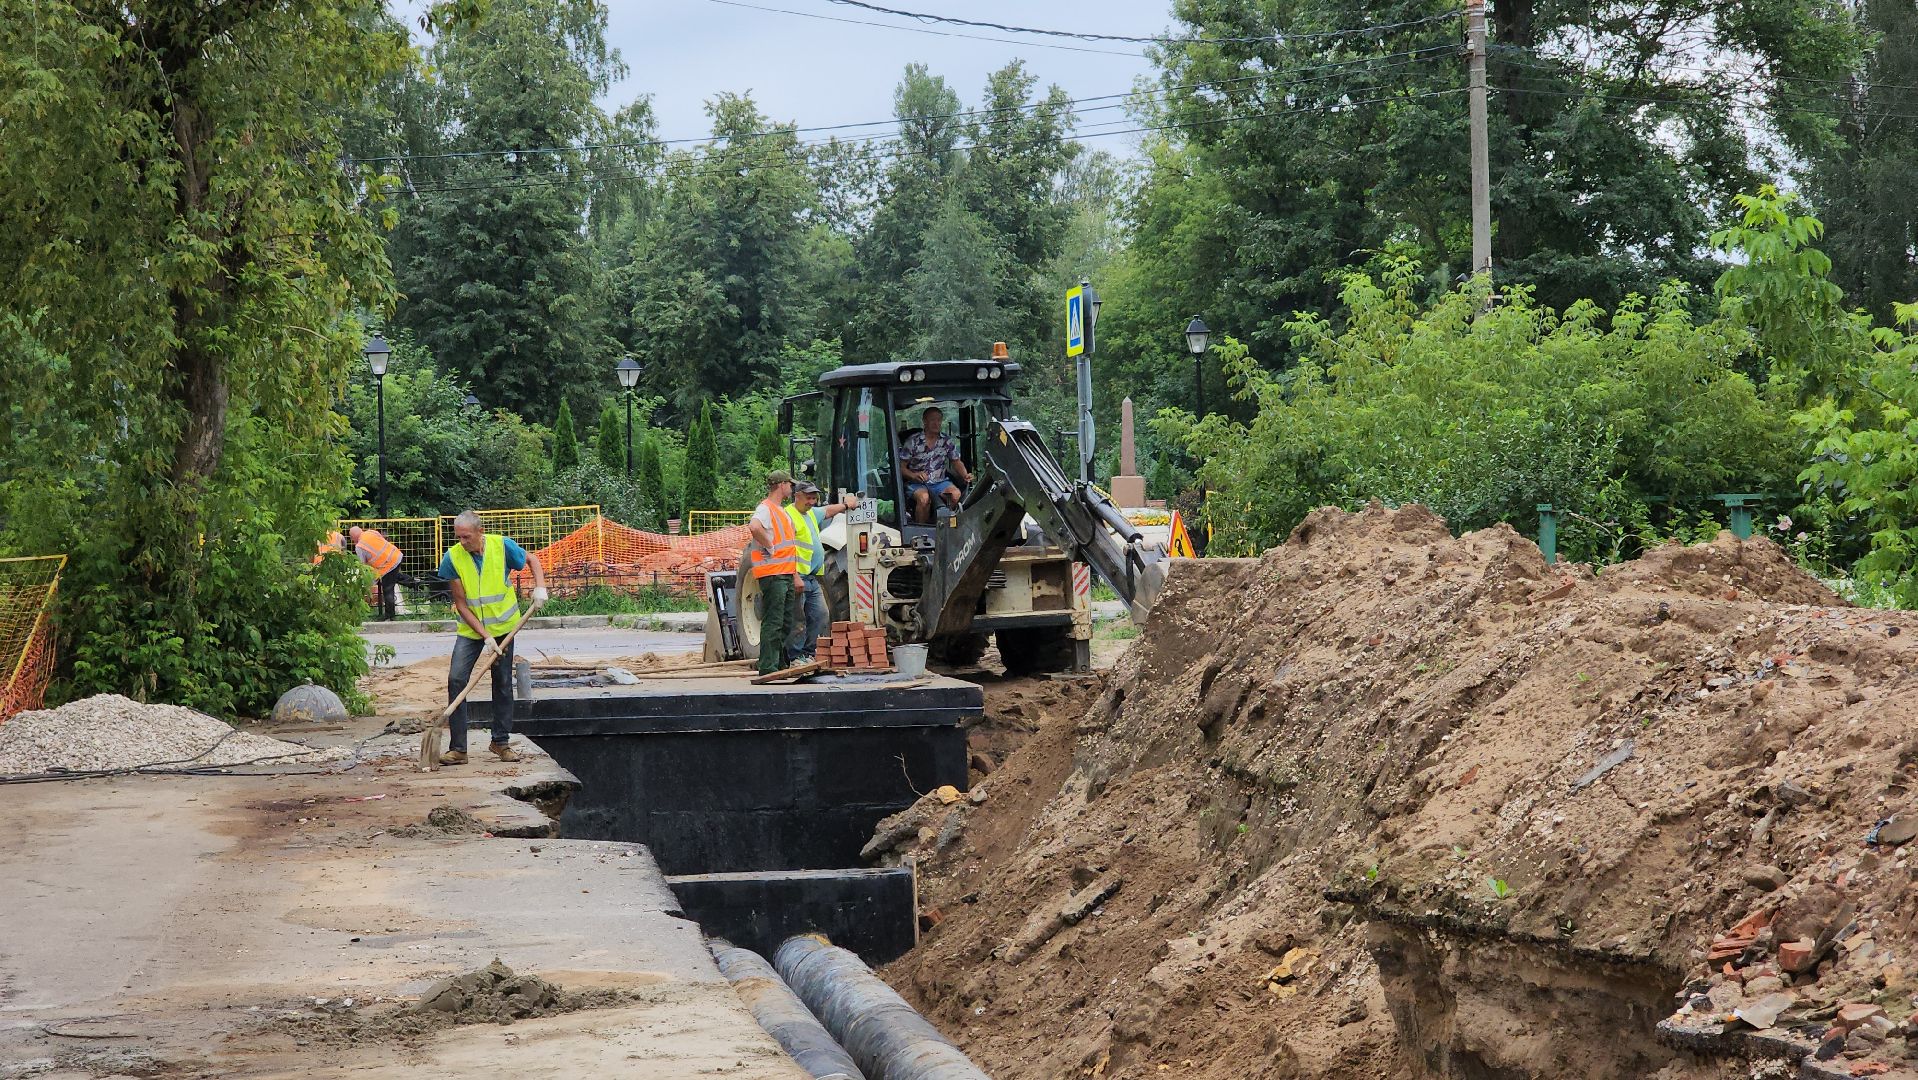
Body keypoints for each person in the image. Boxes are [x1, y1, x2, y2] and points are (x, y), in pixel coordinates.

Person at [437, 511, 546, 765]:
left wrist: (540, 588)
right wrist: (485, 637)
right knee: (456, 679)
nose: (462, 542)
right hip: (471, 630)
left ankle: (500, 742)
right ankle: (458, 749)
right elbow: (462, 605)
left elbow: (533, 560)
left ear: (479, 532)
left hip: (505, 627)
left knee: (502, 683)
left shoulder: (501, 545)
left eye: (466, 537)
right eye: (459, 537)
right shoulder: (452, 557)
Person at [785, 481, 861, 666]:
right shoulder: (788, 516)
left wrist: (845, 505)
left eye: (814, 498)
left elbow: (827, 511)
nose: (812, 501)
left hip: (811, 578)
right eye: (808, 498)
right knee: (798, 619)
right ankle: (794, 657)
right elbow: (785, 549)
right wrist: (794, 575)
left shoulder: (811, 513)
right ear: (797, 495)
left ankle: (808, 653)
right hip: (797, 576)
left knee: (820, 615)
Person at [746, 471, 802, 675]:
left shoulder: (781, 511)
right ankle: (768, 666)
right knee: (774, 621)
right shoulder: (765, 509)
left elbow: (790, 546)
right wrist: (769, 545)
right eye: (790, 484)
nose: (792, 488)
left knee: (786, 621)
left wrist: (794, 574)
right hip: (773, 574)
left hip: (785, 573)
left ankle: (778, 663)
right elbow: (754, 527)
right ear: (781, 485)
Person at [900, 406, 973, 524]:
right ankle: (921, 531)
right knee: (924, 499)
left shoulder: (946, 441)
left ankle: (942, 525)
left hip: (940, 482)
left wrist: (965, 475)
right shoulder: (912, 441)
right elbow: (901, 468)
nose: (936, 423)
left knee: (955, 495)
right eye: (933, 420)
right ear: (924, 421)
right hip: (917, 484)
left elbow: (956, 461)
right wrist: (914, 475)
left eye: (939, 420)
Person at [349, 525, 406, 619]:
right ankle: (414, 582)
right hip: (396, 555)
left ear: (354, 536)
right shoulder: (371, 532)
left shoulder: (359, 546)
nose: (351, 540)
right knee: (393, 577)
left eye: (351, 537)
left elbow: (363, 565)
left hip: (386, 565)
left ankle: (390, 615)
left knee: (387, 589)